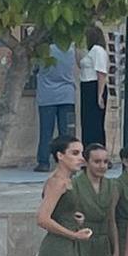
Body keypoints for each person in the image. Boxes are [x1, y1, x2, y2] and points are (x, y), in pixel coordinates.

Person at [34, 45, 77, 173]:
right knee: (67, 133)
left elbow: (35, 67)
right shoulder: (70, 48)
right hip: (67, 95)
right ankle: (69, 161)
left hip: (47, 95)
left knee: (46, 131)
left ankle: (43, 162)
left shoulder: (44, 50)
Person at [77, 26, 109, 149]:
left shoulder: (98, 50)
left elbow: (101, 73)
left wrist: (99, 94)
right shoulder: (90, 52)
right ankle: (88, 149)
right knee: (87, 121)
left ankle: (97, 148)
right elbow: (80, 64)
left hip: (94, 86)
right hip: (86, 85)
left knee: (94, 122)